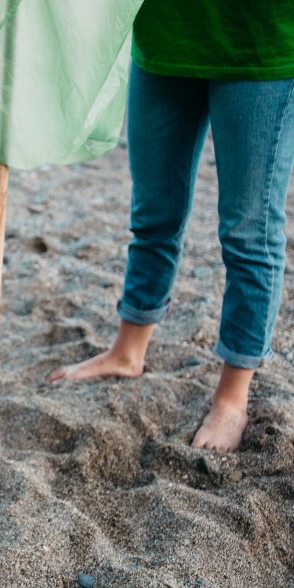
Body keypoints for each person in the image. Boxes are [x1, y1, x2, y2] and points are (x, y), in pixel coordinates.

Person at [48, 1, 294, 452]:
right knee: (153, 215)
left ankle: (233, 397)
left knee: (248, 234)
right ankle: (128, 351)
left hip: (261, 45)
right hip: (164, 37)